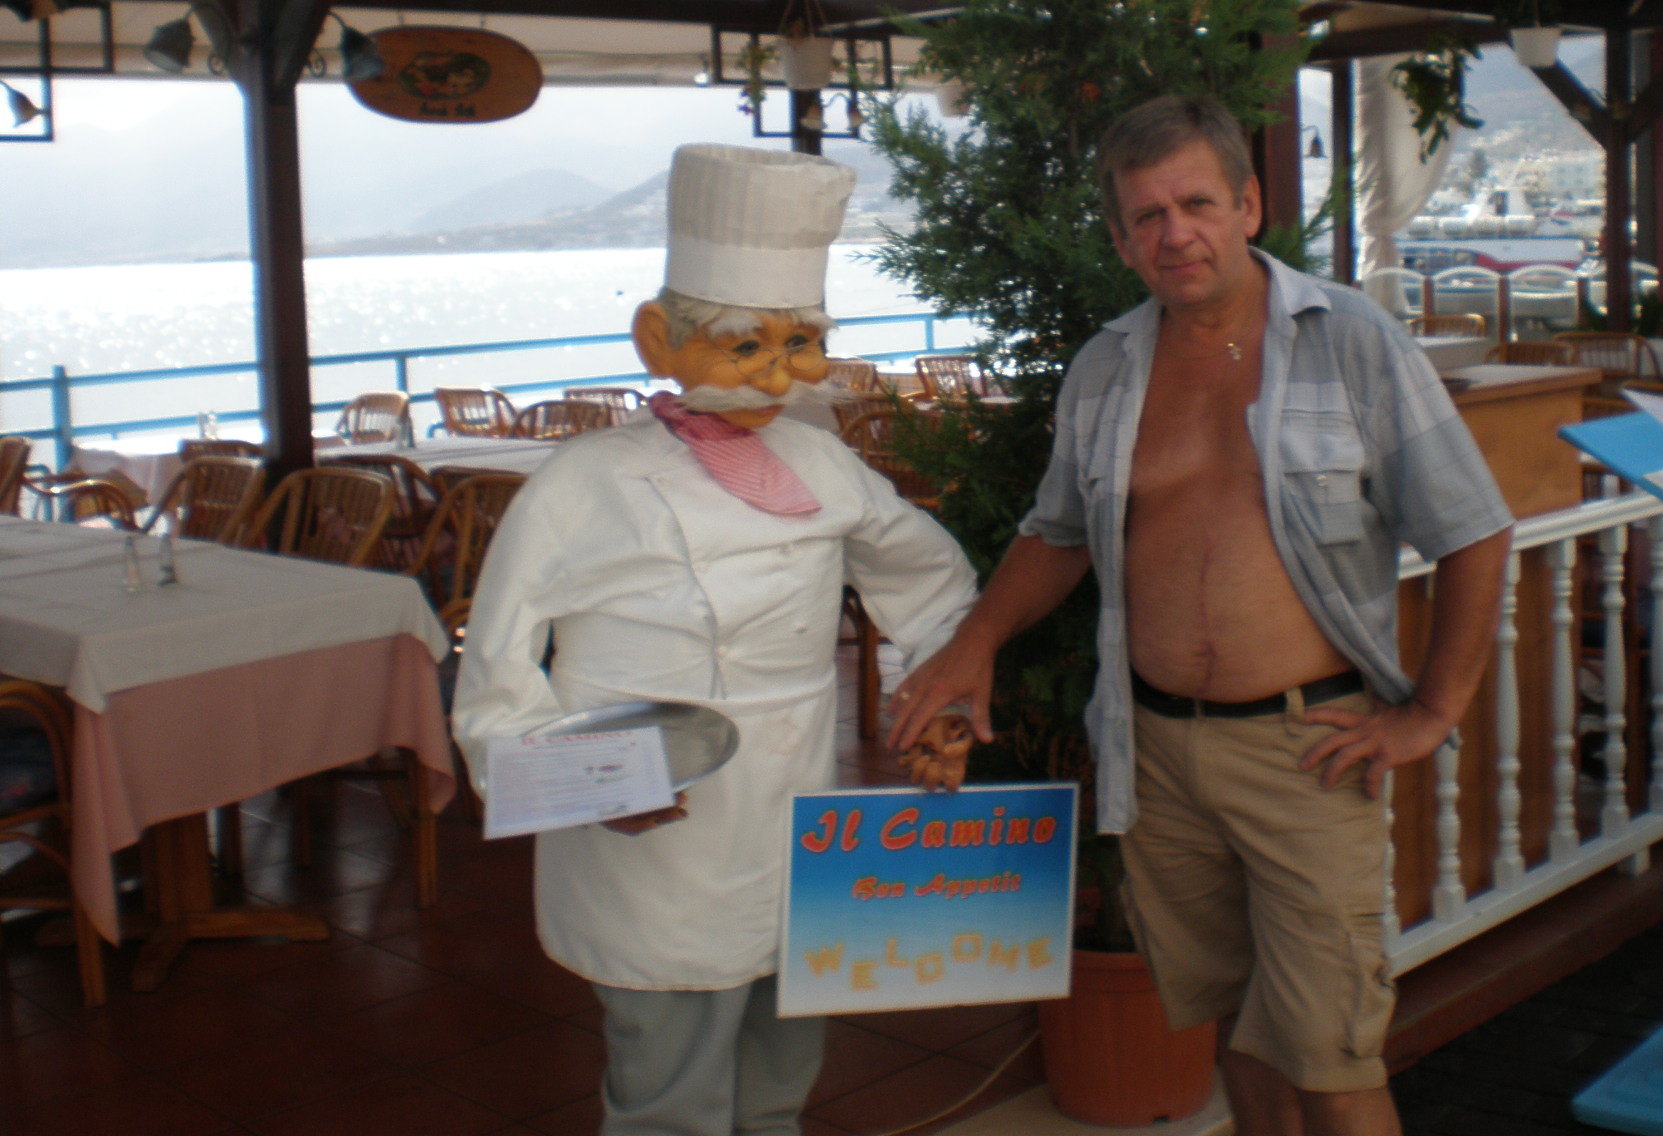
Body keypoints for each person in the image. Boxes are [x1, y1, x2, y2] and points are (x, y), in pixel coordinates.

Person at [891, 96, 1513, 1136]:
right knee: (1238, 1033)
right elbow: (1058, 534)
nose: (1173, 233)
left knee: (1333, 1058)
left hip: (1306, 750)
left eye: (1195, 204)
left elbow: (1473, 528)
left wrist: (1432, 711)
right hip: (1157, 754)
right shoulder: (1105, 368)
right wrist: (975, 642)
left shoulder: (1351, 341)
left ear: (1248, 206)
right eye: (1146, 215)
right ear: (1120, 238)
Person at [453, 144, 979, 1136]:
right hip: (653, 830)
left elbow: (924, 572)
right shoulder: (584, 482)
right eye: (747, 345)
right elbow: (498, 661)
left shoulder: (820, 460)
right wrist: (575, 784)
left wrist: (938, 695)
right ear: (658, 338)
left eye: (801, 342)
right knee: (668, 1087)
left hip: (796, 807)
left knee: (782, 1069)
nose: (780, 371)